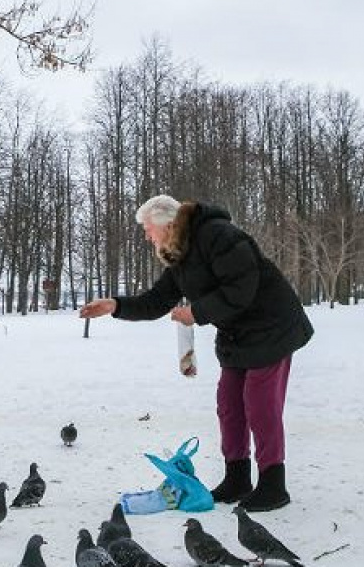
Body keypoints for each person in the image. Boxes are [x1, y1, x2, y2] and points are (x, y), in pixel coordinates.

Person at [79, 194, 313, 512]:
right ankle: (237, 478)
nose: (147, 236)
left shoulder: (218, 235)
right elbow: (155, 301)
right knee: (229, 405)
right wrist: (115, 306)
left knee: (260, 405)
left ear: (166, 224)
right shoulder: (180, 256)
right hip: (237, 335)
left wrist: (196, 312)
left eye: (148, 229)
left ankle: (273, 485)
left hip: (272, 326)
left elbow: (242, 287)